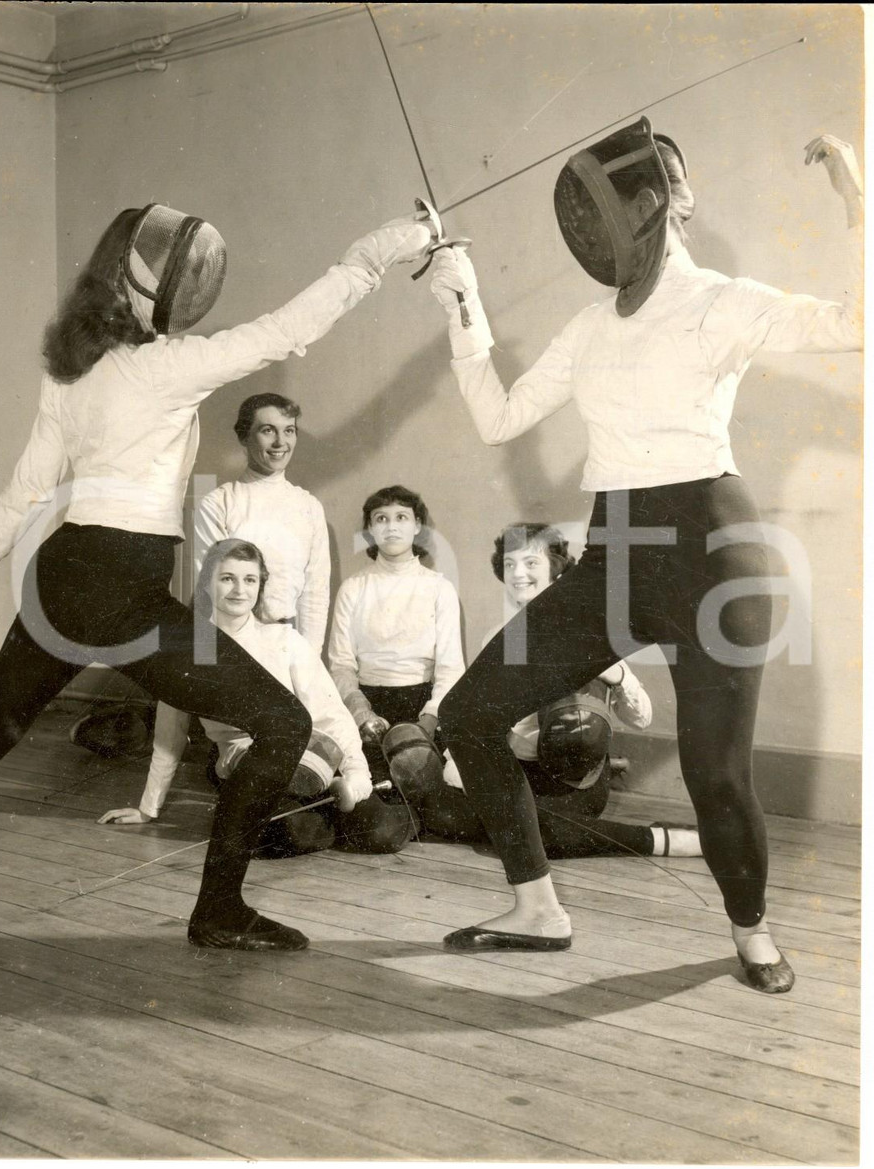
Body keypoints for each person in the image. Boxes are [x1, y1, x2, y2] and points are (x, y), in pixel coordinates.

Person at [0, 200, 434, 953]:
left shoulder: (71, 371)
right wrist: (392, 244)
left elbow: (28, 485)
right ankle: (219, 909)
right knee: (282, 720)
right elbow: (290, 327)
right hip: (122, 586)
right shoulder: (165, 368)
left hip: (62, 575)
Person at [427, 126, 861, 992]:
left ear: (676, 200)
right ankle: (537, 907)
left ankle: (751, 932)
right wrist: (461, 304)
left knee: (714, 772)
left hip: (716, 559)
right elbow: (500, 418)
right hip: (617, 556)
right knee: (472, 710)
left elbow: (859, 323)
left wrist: (856, 197)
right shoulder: (589, 326)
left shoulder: (722, 301)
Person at [98, 539, 411, 857]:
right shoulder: (188, 652)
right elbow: (169, 737)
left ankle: (357, 801)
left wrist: (357, 775)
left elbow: (330, 714)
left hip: (313, 757)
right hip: (247, 770)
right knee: (289, 832)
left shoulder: (284, 640)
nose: (238, 590)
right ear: (208, 583)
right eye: (227, 578)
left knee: (381, 834)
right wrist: (148, 807)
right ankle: (323, 813)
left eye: (249, 579)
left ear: (261, 585)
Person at [418, 522, 702, 862]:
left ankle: (659, 840)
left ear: (555, 567)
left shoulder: (585, 631)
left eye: (530, 562)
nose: (517, 573)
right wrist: (456, 761)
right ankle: (537, 827)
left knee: (536, 832)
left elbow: (642, 718)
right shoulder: (497, 635)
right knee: (443, 812)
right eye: (509, 564)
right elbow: (477, 713)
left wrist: (619, 675)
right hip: (519, 773)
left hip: (572, 781)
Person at [133, 391, 331, 821]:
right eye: (267, 430)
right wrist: (149, 808)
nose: (280, 443)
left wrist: (307, 669)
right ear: (245, 437)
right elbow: (217, 590)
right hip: (232, 645)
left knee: (318, 762)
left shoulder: (309, 508)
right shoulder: (219, 502)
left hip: (285, 647)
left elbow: (315, 595)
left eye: (289, 431)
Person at [327, 485, 465, 836]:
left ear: (417, 525)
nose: (391, 526)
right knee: (373, 821)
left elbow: (451, 668)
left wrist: (428, 724)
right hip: (368, 712)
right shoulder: (354, 588)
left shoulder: (438, 587)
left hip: (422, 711)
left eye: (401, 517)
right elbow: (341, 665)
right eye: (381, 518)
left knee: (445, 815)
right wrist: (361, 715)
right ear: (370, 529)